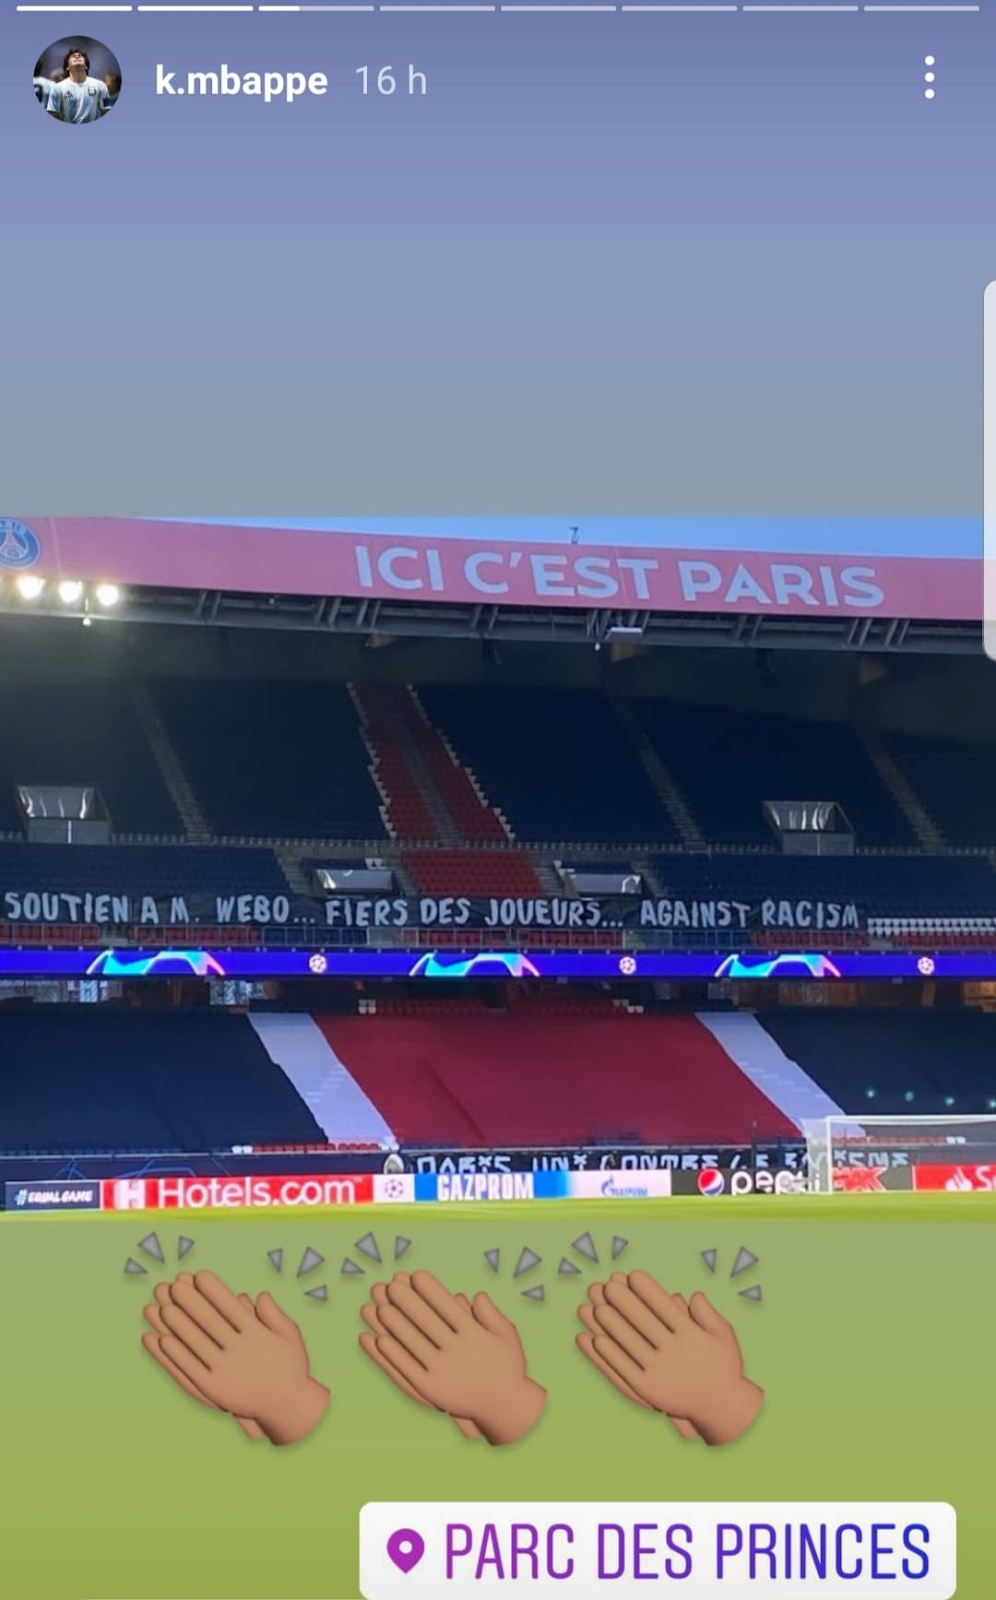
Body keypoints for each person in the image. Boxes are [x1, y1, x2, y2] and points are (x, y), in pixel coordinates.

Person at [48, 47, 111, 123]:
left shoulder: (101, 86)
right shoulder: (57, 88)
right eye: (73, 56)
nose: (77, 56)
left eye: (80, 56)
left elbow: (106, 110)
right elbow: (53, 115)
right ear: (67, 67)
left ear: (86, 66)